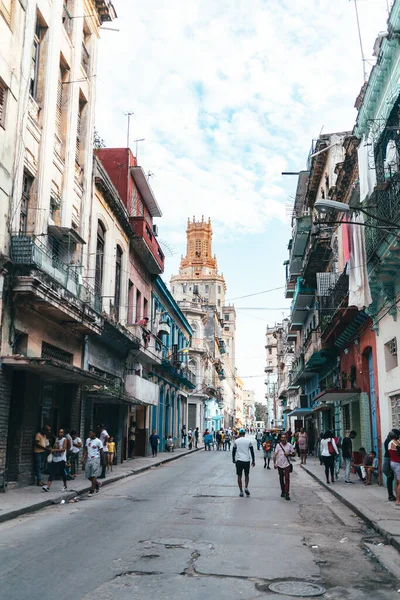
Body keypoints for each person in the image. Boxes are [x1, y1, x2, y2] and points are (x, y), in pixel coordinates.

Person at [232, 428, 255, 497]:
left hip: (239, 460)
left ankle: (241, 491)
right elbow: (252, 451)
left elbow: (233, 451)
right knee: (247, 475)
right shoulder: (249, 441)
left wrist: (233, 459)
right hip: (246, 460)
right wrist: (253, 460)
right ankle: (246, 487)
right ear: (244, 434)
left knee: (239, 476)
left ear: (239, 434)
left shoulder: (236, 441)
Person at [81, 430, 105, 496]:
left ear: (94, 434)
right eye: (89, 434)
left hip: (96, 459)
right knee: (88, 475)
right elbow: (86, 450)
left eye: (90, 434)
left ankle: (92, 490)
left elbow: (101, 451)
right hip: (89, 459)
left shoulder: (98, 441)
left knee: (94, 475)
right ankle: (97, 484)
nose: (89, 435)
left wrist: (103, 461)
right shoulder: (87, 440)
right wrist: (83, 458)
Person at [273, 432, 295, 500]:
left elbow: (294, 453)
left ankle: (287, 493)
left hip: (287, 464)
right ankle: (283, 490)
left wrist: (288, 454)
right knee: (281, 478)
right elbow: (275, 455)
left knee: (287, 478)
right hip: (280, 464)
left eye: (284, 438)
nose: (283, 439)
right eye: (282, 438)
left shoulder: (289, 445)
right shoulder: (278, 446)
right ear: (280, 438)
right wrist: (274, 463)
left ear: (286, 438)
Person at [384, 430, 398, 501]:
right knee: (390, 477)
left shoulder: (388, 441)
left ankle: (391, 495)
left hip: (390, 460)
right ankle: (390, 495)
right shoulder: (390, 442)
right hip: (389, 460)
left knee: (391, 478)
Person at [388, 430, 400, 506]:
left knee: (397, 482)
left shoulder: (390, 443)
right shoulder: (395, 443)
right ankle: (398, 501)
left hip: (393, 462)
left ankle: (397, 499)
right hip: (397, 463)